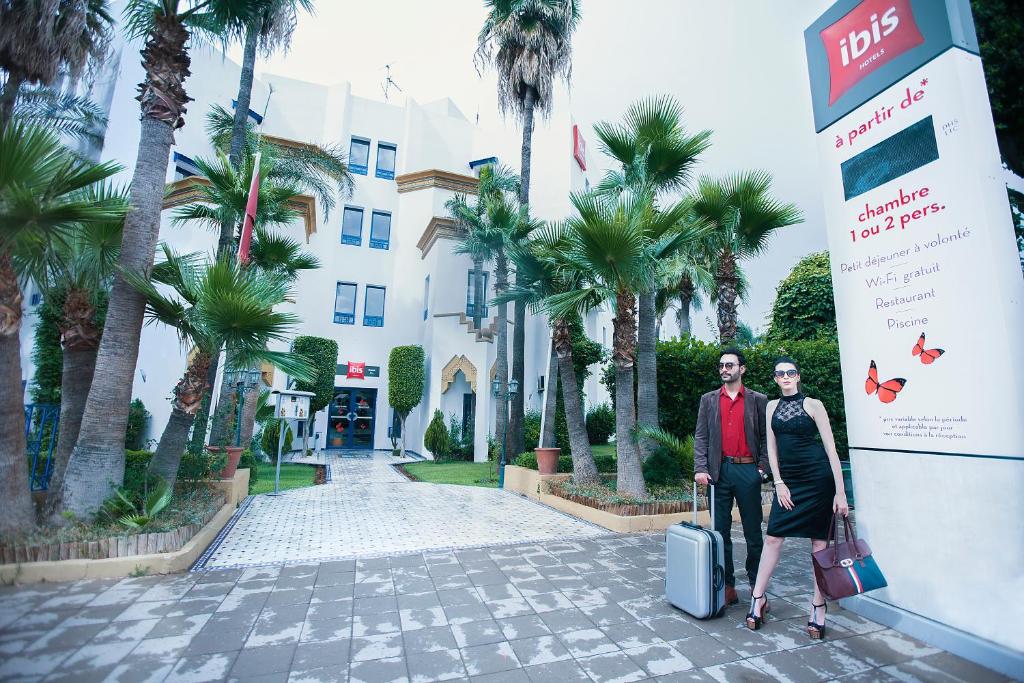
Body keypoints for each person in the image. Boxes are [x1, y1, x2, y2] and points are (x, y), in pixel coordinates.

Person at [745, 357, 849, 640]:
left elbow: (831, 450)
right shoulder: (771, 407)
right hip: (788, 482)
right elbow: (771, 447)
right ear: (776, 379)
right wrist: (778, 482)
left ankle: (818, 605)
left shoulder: (814, 404)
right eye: (781, 373)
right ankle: (758, 598)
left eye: (791, 372)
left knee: (819, 544)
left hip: (817, 480)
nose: (786, 376)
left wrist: (840, 492)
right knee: (773, 537)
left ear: (798, 376)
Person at [694, 348, 769, 607]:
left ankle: (757, 586)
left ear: (742, 369)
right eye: (721, 366)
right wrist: (700, 468)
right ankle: (727, 585)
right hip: (718, 473)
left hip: (748, 472)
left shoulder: (759, 400)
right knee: (720, 532)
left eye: (730, 365)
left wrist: (762, 469)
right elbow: (701, 436)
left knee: (753, 534)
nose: (724, 369)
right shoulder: (709, 400)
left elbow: (767, 438)